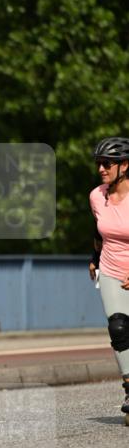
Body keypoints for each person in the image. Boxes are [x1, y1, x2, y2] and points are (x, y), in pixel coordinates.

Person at [88, 136, 129, 425]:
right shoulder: (97, 196)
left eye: (107, 163)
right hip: (112, 268)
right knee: (118, 327)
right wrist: (92, 259)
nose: (101, 169)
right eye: (98, 164)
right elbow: (99, 232)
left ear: (125, 166)